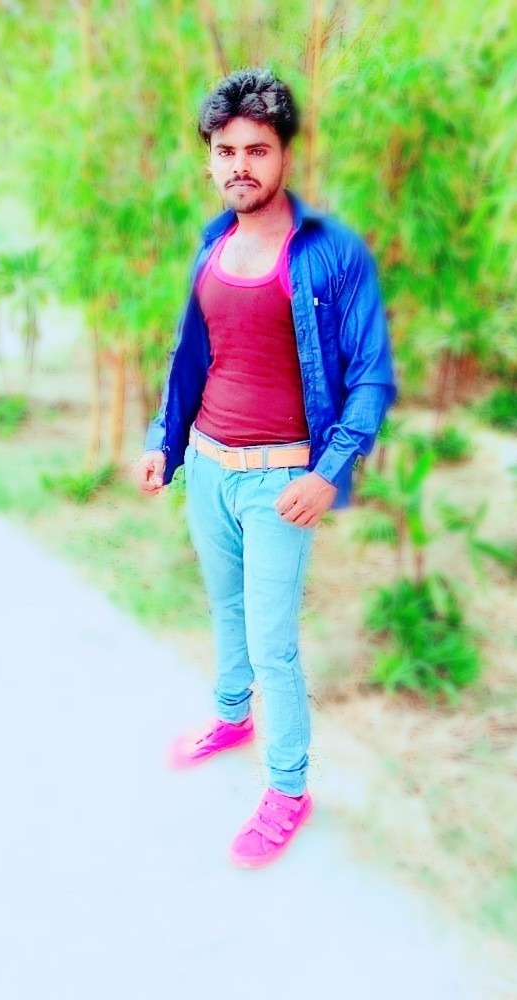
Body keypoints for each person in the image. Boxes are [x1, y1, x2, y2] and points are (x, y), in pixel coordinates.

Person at [133, 68, 396, 869]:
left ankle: (287, 789)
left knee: (272, 643)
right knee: (226, 607)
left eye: (257, 149)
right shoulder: (212, 245)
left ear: (284, 156)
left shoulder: (331, 253)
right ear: (210, 159)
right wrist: (164, 440)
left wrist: (328, 473)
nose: (240, 164)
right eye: (226, 151)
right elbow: (192, 355)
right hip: (208, 468)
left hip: (281, 481)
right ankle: (230, 716)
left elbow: (371, 377)